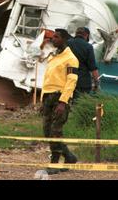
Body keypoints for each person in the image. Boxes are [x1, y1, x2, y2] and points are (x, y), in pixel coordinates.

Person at [41, 29, 79, 175]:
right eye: (53, 37)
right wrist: (42, 100)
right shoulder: (53, 57)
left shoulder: (71, 58)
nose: (53, 39)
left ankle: (54, 163)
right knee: (47, 132)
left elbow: (72, 81)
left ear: (64, 39)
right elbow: (47, 80)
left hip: (60, 98)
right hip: (48, 98)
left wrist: (63, 102)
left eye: (56, 37)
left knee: (55, 132)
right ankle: (69, 156)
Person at [67, 27, 100, 99]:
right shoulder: (88, 46)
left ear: (76, 33)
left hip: (67, 79)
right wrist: (97, 84)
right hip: (82, 82)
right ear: (87, 35)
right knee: (78, 105)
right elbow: (93, 67)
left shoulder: (67, 43)